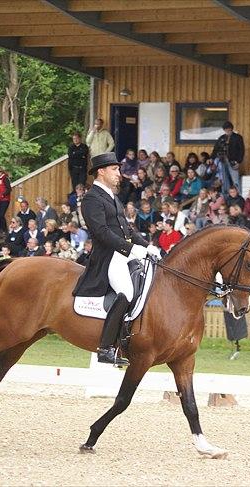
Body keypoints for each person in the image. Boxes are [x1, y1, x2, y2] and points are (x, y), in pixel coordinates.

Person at [75, 152, 160, 366]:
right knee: (126, 292)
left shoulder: (113, 197)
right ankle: (105, 348)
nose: (119, 174)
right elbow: (102, 232)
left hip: (124, 254)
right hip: (108, 257)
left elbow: (128, 229)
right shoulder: (91, 199)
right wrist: (131, 249)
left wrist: (146, 246)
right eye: (115, 169)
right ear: (101, 171)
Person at [212, 121, 245, 193]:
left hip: (233, 161)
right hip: (222, 161)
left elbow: (241, 150)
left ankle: (238, 196)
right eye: (226, 130)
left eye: (229, 129)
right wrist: (211, 158)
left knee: (235, 180)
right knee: (224, 180)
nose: (227, 131)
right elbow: (215, 149)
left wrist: (239, 162)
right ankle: (225, 197)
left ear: (231, 129)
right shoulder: (222, 138)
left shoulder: (238, 137)